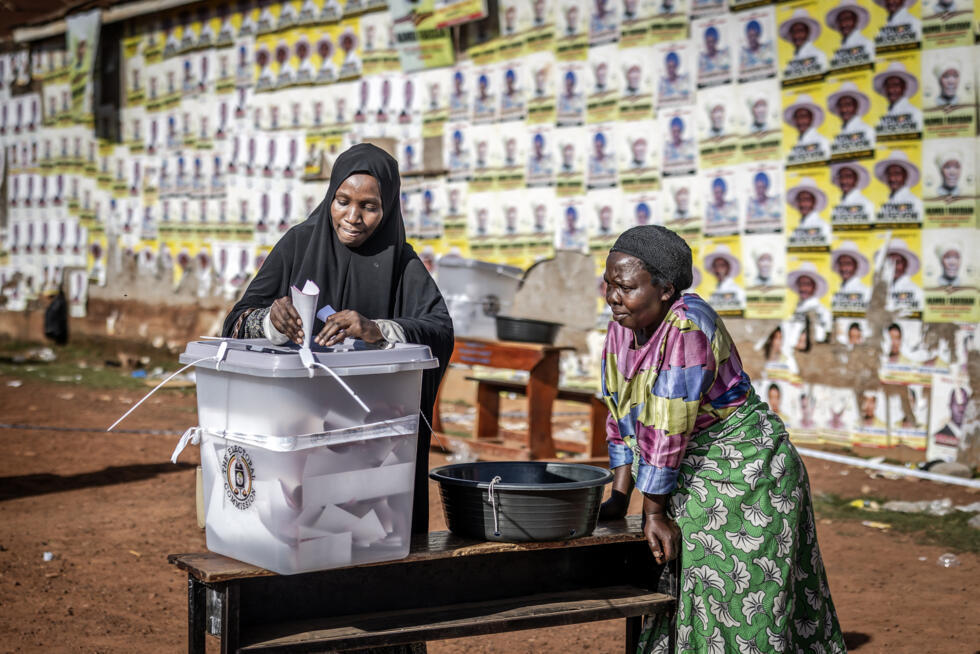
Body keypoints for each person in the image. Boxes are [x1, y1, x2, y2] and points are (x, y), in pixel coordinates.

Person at [595, 226, 845, 653]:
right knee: (693, 590)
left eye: (626, 286)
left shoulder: (689, 327)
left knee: (742, 601)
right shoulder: (625, 323)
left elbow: (668, 426)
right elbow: (621, 410)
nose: (614, 296)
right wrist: (619, 496)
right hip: (691, 474)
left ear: (666, 289)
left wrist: (652, 511)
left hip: (746, 476)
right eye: (610, 284)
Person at [223, 144, 455, 542]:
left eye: (369, 206)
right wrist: (271, 322)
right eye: (342, 201)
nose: (353, 217)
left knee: (372, 535)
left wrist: (377, 329)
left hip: (373, 435)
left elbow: (439, 329)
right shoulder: (298, 244)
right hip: (301, 422)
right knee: (298, 528)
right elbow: (236, 322)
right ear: (329, 196)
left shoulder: (400, 260)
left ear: (388, 208)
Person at [788, 262, 832, 341]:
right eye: (800, 284)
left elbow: (827, 327)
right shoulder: (798, 306)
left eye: (807, 284)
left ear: (814, 287)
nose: (803, 288)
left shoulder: (818, 308)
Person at [873, 62, 922, 132]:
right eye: (888, 85)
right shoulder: (885, 118)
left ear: (904, 87)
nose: (891, 90)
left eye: (896, 85)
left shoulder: (915, 114)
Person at [875, 151, 923, 221]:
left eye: (897, 173)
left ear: (905, 176)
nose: (892, 178)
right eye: (889, 174)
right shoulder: (886, 205)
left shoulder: (915, 203)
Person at [881, 238, 924, 313]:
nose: (893, 267)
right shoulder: (880, 289)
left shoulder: (916, 291)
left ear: (905, 264)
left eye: (898, 262)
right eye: (890, 262)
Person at [828, 82, 875, 149]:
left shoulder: (866, 131)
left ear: (856, 106)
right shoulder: (840, 135)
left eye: (848, 104)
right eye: (841, 105)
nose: (844, 109)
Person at [787, 178, 830, 244]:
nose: (802, 204)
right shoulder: (797, 228)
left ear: (814, 202)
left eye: (807, 200)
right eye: (800, 200)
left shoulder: (823, 226)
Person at [831, 241, 871, 309]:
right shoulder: (837, 293)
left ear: (856, 266)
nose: (843, 268)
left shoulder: (866, 292)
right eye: (841, 264)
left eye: (848, 264)